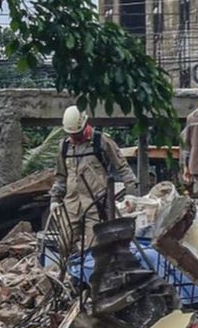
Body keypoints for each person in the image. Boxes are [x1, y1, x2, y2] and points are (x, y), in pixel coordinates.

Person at [50, 105, 138, 246]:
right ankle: (70, 267)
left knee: (94, 248)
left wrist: (131, 193)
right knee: (63, 243)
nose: (74, 137)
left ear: (85, 125)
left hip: (96, 204)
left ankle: (91, 267)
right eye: (71, 134)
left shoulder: (101, 142)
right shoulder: (64, 147)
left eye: (77, 133)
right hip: (72, 205)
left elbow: (123, 168)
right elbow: (61, 176)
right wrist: (55, 199)